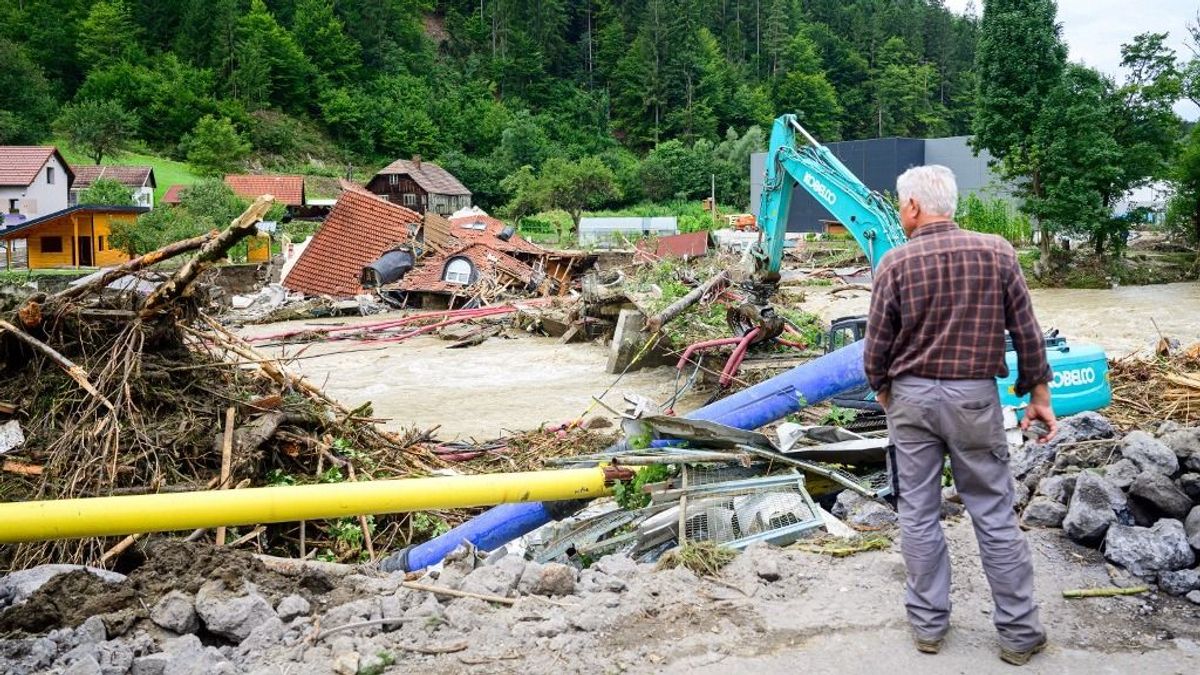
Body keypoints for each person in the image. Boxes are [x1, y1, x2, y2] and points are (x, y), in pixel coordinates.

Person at [864, 165, 1058, 666]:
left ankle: (928, 627)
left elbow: (875, 347)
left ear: (912, 206)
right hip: (974, 398)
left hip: (911, 400)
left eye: (900, 205)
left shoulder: (894, 263)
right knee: (992, 512)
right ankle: (1019, 634)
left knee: (918, 512)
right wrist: (1038, 393)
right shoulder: (997, 252)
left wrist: (885, 391)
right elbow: (1027, 331)